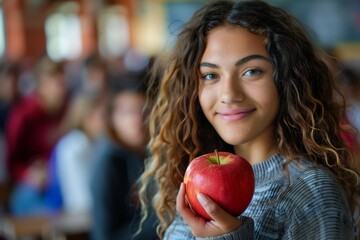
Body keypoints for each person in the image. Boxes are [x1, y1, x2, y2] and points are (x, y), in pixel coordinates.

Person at [138, 1, 359, 239]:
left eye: (251, 71)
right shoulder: (193, 176)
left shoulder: (312, 192)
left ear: (285, 79)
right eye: (211, 75)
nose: (229, 94)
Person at [90, 78, 157, 240]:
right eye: (128, 112)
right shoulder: (107, 162)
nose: (138, 120)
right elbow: (104, 236)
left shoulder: (154, 153)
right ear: (112, 118)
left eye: (144, 110)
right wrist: (161, 222)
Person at [5, 55, 68, 215]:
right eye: (56, 83)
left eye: (62, 83)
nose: (61, 89)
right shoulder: (24, 114)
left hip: (62, 180)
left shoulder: (67, 110)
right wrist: (28, 174)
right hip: (33, 185)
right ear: (41, 86)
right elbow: (11, 163)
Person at [46, 92, 105, 213]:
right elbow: (79, 200)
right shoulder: (72, 146)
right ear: (86, 117)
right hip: (64, 214)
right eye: (102, 116)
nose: (106, 121)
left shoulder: (97, 143)